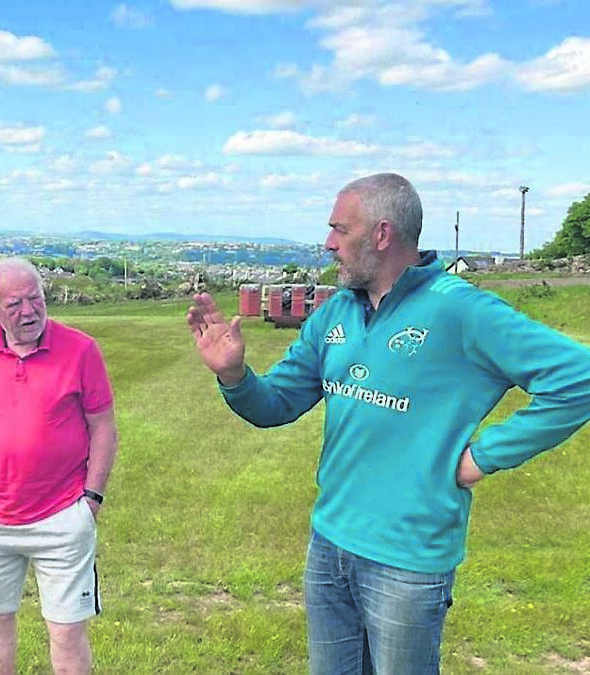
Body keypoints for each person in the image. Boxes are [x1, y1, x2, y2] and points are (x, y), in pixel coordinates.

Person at [187, 172, 590, 674]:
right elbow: (277, 404)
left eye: (340, 229)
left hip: (408, 560)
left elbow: (579, 378)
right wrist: (234, 376)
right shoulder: (335, 313)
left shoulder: (460, 309)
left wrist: (483, 457)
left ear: (382, 234)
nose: (328, 243)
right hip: (330, 543)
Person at [0, 256, 119, 675]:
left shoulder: (81, 350)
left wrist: (91, 500)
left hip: (61, 517)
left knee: (67, 633)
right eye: (14, 304)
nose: (29, 311)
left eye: (35, 298)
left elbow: (103, 428)